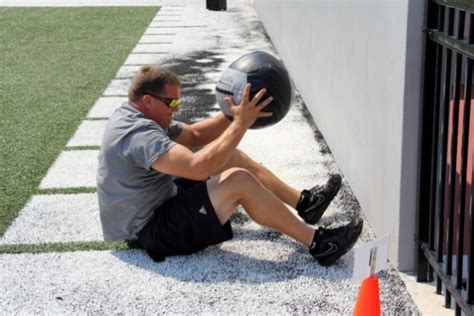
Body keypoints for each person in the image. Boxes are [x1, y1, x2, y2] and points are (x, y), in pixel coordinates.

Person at [97, 65, 363, 266]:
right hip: (151, 229)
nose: (176, 109)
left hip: (162, 201)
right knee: (238, 180)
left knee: (229, 156)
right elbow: (197, 167)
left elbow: (197, 136)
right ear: (147, 101)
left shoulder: (143, 116)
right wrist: (240, 124)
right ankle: (320, 244)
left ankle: (305, 203)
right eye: (172, 102)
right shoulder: (137, 134)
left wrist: (234, 113)